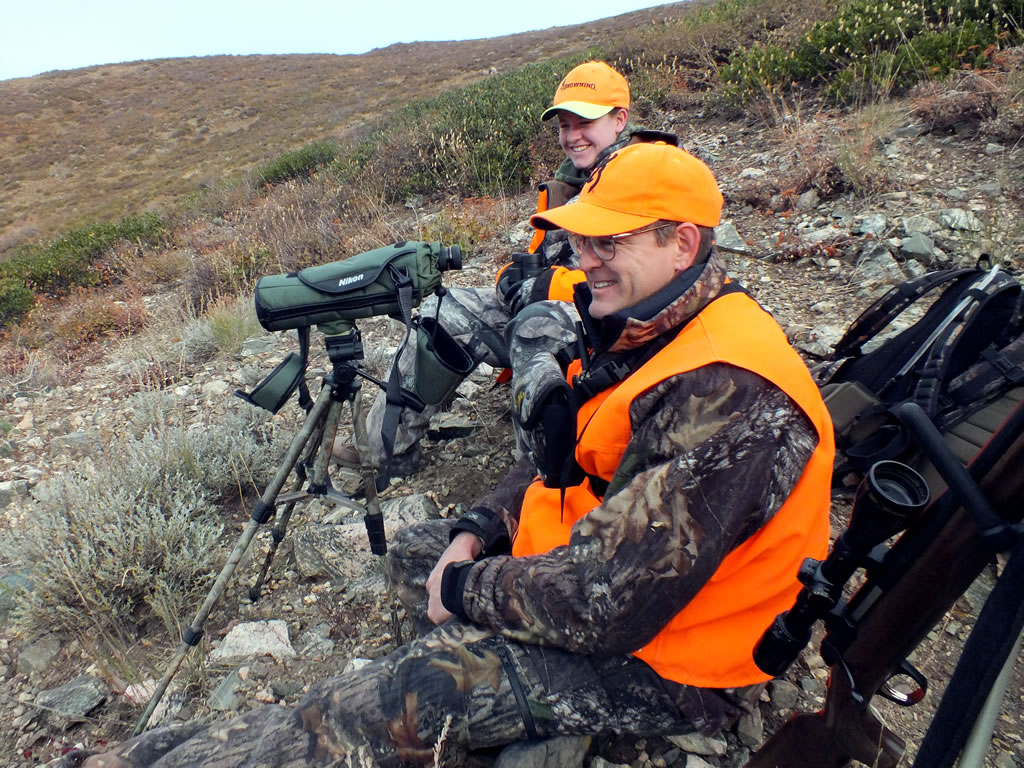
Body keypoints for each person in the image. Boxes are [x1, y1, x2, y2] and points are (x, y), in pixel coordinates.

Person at [70, 142, 835, 768]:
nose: (588, 257)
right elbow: (562, 460)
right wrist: (473, 529)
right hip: (603, 578)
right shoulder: (642, 324)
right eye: (581, 238)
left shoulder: (728, 390)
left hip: (673, 664)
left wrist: (470, 589)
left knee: (409, 688)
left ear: (684, 243)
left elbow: (611, 601)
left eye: (613, 240)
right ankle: (454, 725)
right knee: (417, 550)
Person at [335, 60, 677, 480]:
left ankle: (536, 486)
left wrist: (550, 287)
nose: (572, 136)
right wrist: (515, 277)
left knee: (537, 325)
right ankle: (386, 453)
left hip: (619, 324)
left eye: (585, 121)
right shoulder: (571, 180)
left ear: (619, 118)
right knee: (446, 310)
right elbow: (546, 259)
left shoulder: (650, 175)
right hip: (561, 304)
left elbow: (649, 275)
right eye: (564, 125)